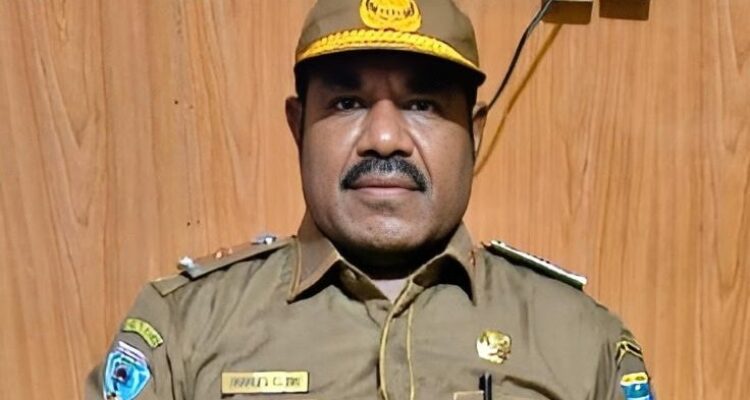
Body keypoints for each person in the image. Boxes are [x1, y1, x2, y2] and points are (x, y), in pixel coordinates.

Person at [86, 0, 654, 399]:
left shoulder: (581, 341)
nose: (384, 137)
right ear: (298, 127)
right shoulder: (182, 329)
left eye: (423, 105)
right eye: (348, 103)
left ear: (474, 133)